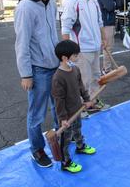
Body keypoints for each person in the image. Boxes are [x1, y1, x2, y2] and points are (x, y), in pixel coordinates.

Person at [14, 0, 66, 167]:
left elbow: (53, 34)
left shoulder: (51, 3)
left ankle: (58, 140)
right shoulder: (25, 7)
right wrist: (26, 74)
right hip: (37, 70)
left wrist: (62, 57)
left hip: (55, 66)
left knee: (57, 108)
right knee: (36, 113)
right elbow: (22, 44)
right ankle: (37, 149)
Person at [61, 0, 109, 117]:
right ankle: (79, 107)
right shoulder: (72, 2)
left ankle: (93, 102)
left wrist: (104, 39)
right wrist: (67, 51)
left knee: (95, 77)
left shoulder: (93, 2)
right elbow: (66, 26)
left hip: (95, 47)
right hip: (81, 49)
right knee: (83, 79)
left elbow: (100, 22)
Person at [52, 40, 96, 173]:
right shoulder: (58, 77)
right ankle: (65, 162)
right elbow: (58, 100)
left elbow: (81, 86)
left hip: (77, 109)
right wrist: (63, 118)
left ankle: (80, 146)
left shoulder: (75, 70)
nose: (77, 58)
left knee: (78, 129)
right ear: (65, 58)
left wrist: (87, 100)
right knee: (65, 138)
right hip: (66, 115)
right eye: (75, 56)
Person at [97, 0, 123, 73]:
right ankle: (106, 69)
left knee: (108, 47)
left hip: (109, 22)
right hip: (105, 22)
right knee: (108, 47)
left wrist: (114, 3)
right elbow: (110, 7)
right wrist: (114, 4)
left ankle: (106, 68)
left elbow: (119, 4)